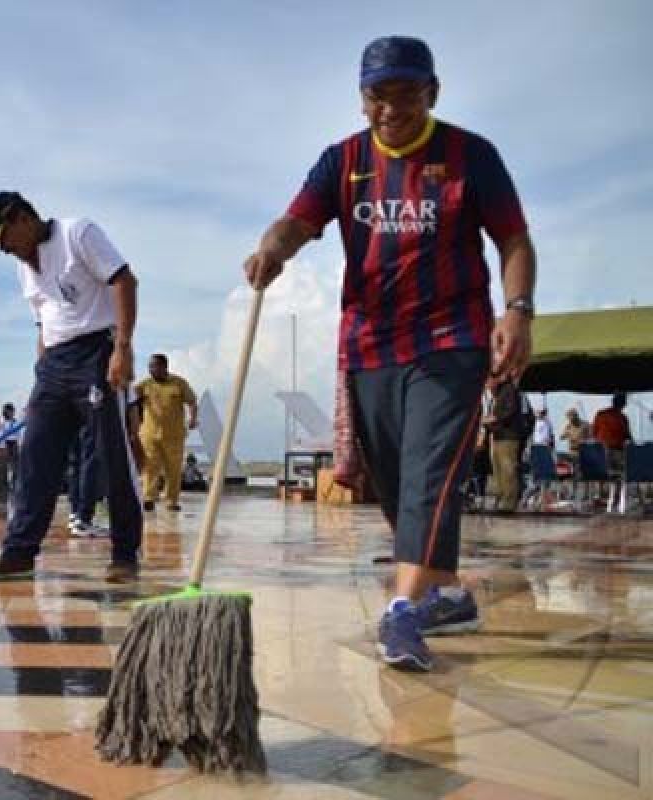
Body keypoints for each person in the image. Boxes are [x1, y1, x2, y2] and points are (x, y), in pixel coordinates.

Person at [242, 36, 536, 671]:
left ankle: (402, 612)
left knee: (431, 467)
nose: (391, 108)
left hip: (452, 337)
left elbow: (513, 238)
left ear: (432, 93)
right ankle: (447, 596)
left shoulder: (470, 156)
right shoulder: (342, 160)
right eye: (379, 95)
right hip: (372, 342)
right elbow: (296, 221)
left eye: (407, 94)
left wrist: (517, 312)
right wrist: (274, 247)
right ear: (362, 98)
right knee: (401, 481)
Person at [0, 190, 142, 583]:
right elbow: (42, 319)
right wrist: (41, 366)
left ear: (21, 218)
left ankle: (124, 553)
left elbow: (124, 281)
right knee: (35, 458)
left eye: (4, 238)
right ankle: (18, 552)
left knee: (110, 455)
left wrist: (123, 348)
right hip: (53, 364)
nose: (5, 251)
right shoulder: (23, 269)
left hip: (97, 352)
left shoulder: (77, 233)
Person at [135, 353, 198, 512]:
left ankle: (172, 500)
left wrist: (192, 419)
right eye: (150, 366)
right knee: (149, 466)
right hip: (150, 434)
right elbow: (129, 399)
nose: (151, 369)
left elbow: (192, 402)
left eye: (154, 366)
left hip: (174, 435)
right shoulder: (144, 385)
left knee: (174, 468)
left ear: (164, 366)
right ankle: (149, 498)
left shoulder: (179, 383)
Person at [484, 377, 526, 512]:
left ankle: (509, 502)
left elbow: (510, 411)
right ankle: (501, 499)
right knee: (497, 469)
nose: (487, 384)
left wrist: (494, 418)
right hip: (497, 436)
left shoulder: (509, 390)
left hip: (508, 436)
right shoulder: (497, 393)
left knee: (508, 469)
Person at [592, 393, 632, 471]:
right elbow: (628, 436)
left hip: (604, 451)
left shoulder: (601, 414)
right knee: (617, 473)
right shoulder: (622, 418)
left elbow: (594, 432)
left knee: (606, 475)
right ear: (623, 404)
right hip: (611, 451)